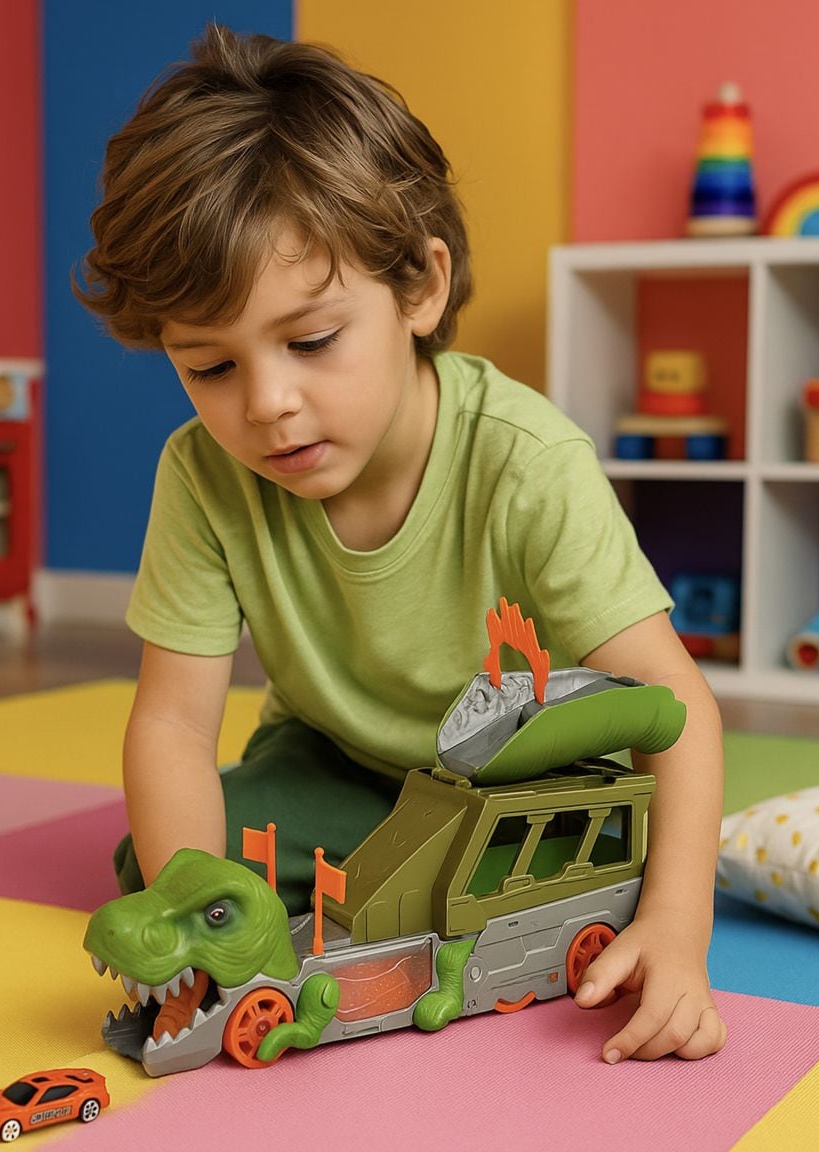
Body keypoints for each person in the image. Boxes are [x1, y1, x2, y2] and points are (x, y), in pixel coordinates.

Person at [74, 24, 727, 1066]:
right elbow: (171, 724)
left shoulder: (526, 462)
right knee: (156, 865)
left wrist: (679, 927)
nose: (267, 404)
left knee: (634, 862)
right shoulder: (201, 475)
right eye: (210, 367)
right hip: (337, 758)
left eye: (311, 341)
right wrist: (202, 926)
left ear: (420, 287)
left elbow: (673, 701)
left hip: (515, 786)